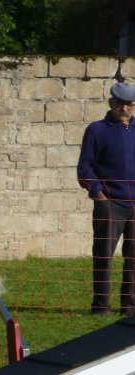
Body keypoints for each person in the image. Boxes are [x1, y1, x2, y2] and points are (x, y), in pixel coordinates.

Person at [77, 81, 135, 316]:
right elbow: (85, 167)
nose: (125, 109)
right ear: (111, 103)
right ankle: (101, 306)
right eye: (120, 104)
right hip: (109, 203)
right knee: (104, 255)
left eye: (129, 104)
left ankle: (130, 307)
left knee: (133, 258)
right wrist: (99, 194)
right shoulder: (96, 130)